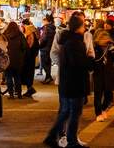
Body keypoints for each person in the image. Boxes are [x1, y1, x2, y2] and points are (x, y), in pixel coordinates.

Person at [45, 14, 90, 148]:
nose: (85, 27)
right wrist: (91, 63)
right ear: (78, 27)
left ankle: (53, 136)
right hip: (74, 82)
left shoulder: (66, 40)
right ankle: (71, 140)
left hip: (66, 81)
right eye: (83, 24)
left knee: (65, 111)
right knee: (74, 112)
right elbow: (78, 62)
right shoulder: (75, 42)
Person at [92, 28, 114, 119]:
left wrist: (113, 51)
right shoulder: (95, 49)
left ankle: (103, 109)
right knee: (98, 95)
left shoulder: (111, 48)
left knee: (108, 95)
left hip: (109, 74)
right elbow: (93, 60)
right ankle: (98, 113)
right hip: (98, 74)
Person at [2, 22, 26, 99]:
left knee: (8, 77)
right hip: (18, 59)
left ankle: (11, 94)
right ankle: (19, 94)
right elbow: (24, 47)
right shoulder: (20, 35)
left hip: (7, 59)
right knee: (17, 77)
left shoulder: (5, 35)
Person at [20, 19, 37, 98]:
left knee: (27, 73)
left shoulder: (29, 34)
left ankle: (30, 89)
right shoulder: (34, 32)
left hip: (28, 57)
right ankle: (30, 88)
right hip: (31, 57)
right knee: (29, 73)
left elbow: (28, 46)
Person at [39, 17, 57, 84]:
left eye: (43, 21)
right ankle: (48, 77)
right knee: (48, 63)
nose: (43, 22)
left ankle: (48, 77)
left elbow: (44, 38)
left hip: (45, 48)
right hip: (49, 47)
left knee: (44, 64)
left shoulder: (47, 28)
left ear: (47, 21)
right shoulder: (52, 28)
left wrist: (40, 45)